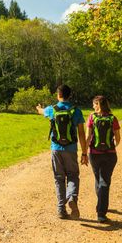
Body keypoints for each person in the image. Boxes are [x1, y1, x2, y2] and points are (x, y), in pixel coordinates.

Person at [36, 85, 88, 219]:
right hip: (71, 149)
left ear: (58, 95)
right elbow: (81, 134)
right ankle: (71, 198)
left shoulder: (51, 110)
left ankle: (61, 209)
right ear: (69, 95)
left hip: (56, 149)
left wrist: (39, 108)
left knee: (59, 179)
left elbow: (41, 111)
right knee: (73, 176)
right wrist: (84, 153)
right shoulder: (76, 111)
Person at [87, 95, 121, 223]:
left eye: (94, 104)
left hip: (94, 154)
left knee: (98, 179)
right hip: (110, 154)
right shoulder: (113, 118)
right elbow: (118, 138)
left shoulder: (92, 117)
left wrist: (84, 152)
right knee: (104, 181)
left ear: (98, 105)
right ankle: (101, 212)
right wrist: (111, 147)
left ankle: (101, 205)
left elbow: (88, 136)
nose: (93, 107)